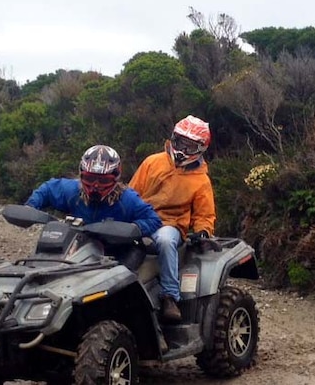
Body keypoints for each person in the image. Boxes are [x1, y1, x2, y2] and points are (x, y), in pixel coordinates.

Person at [129, 115, 216, 322]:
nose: (182, 150)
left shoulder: (201, 180)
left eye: (189, 147)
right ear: (173, 138)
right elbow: (131, 194)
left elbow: (205, 213)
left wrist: (203, 231)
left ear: (200, 149)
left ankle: (170, 296)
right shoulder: (152, 162)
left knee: (166, 241)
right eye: (180, 143)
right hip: (141, 217)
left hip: (170, 223)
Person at [25, 144, 162, 268]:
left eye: (103, 180)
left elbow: (153, 220)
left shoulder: (128, 199)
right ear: (81, 175)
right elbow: (47, 190)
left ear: (115, 177)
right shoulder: (72, 191)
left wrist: (134, 228)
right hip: (80, 249)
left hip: (118, 251)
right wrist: (30, 207)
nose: (95, 185)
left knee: (123, 276)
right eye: (90, 178)